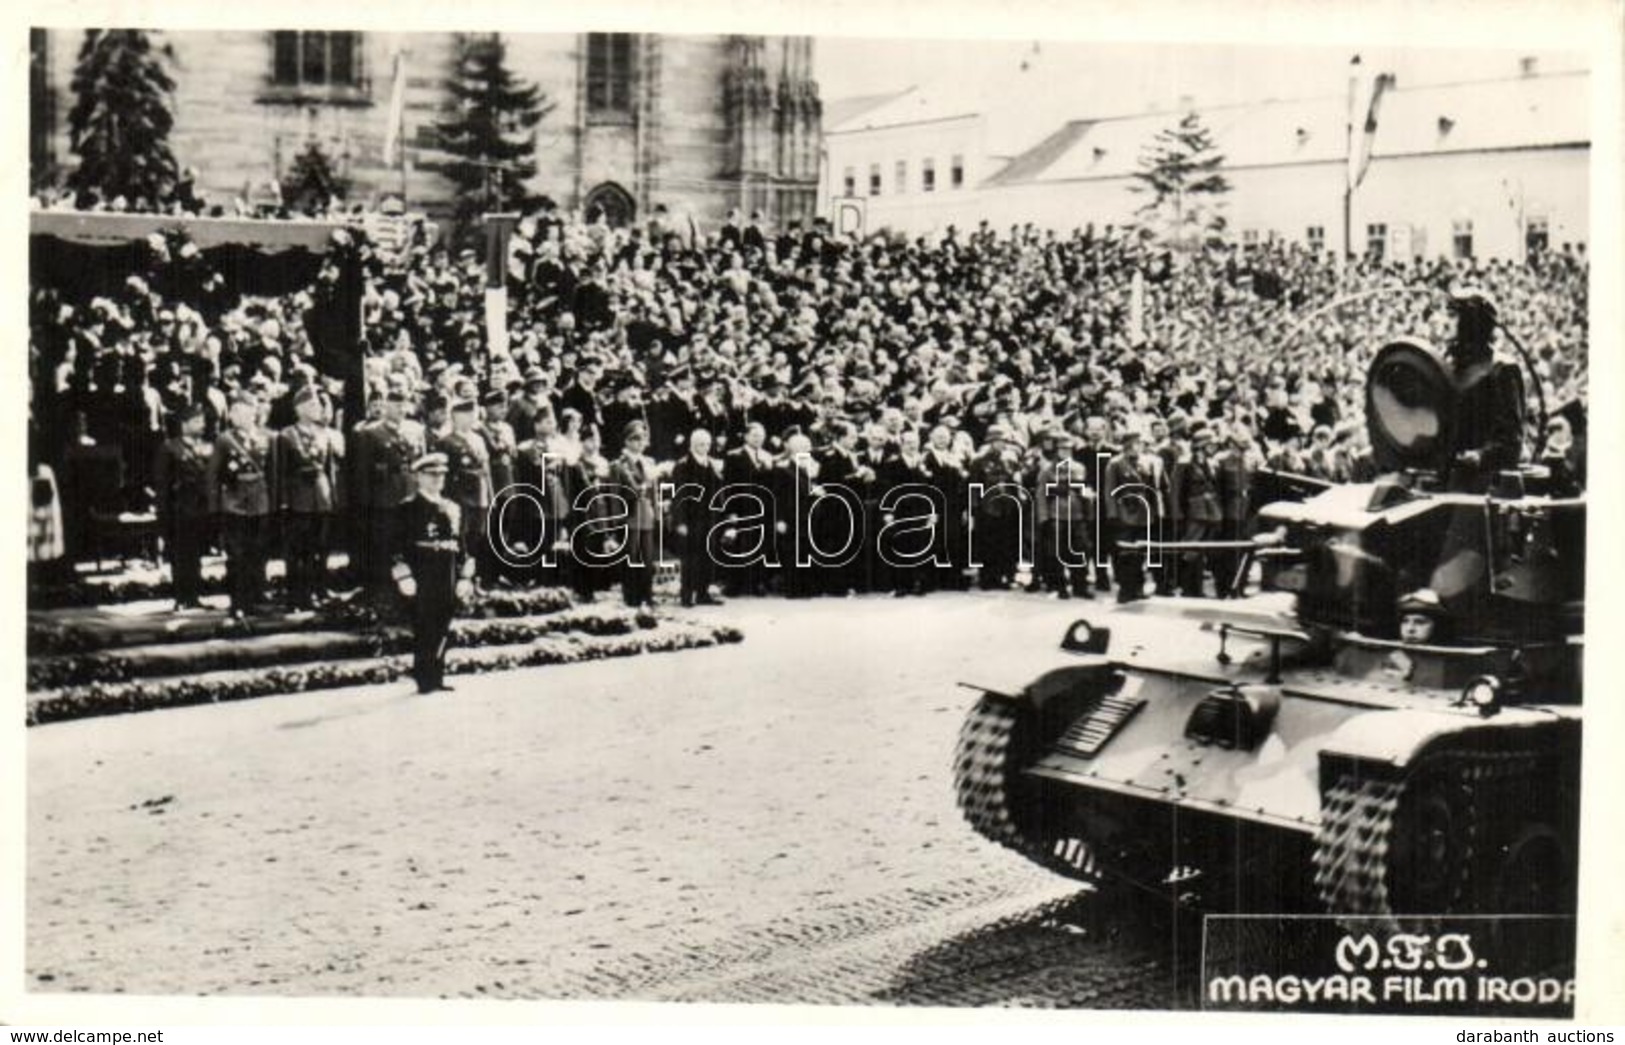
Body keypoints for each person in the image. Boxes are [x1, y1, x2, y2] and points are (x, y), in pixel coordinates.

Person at [392, 453, 473, 694]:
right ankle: (423, 677)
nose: (437, 479)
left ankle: (437, 675)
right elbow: (397, 545)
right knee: (425, 625)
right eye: (431, 475)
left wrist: (464, 576)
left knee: (444, 624)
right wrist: (404, 576)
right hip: (422, 572)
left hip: (447, 572)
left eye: (441, 475)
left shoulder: (452, 507)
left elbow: (461, 545)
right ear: (418, 477)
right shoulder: (408, 507)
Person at [1444, 287, 1525, 492]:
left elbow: (1510, 442)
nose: (1446, 322)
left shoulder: (1501, 369)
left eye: (1453, 316)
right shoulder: (1446, 366)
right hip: (1444, 477)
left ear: (1472, 322)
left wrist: (1480, 456)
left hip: (1482, 484)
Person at [353, 379, 424, 601]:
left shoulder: (416, 430)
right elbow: (363, 471)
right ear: (386, 406)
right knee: (385, 543)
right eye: (395, 405)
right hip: (385, 497)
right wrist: (365, 501)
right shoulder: (371, 433)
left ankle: (411, 588)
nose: (401, 409)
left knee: (411, 542)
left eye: (404, 405)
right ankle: (383, 588)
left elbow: (422, 463)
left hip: (411, 494)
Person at [206, 393, 271, 618]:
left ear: (254, 413)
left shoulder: (265, 437)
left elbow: (271, 471)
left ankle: (255, 598)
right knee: (237, 555)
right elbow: (213, 475)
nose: (239, 416)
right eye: (235, 412)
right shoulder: (224, 439)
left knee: (257, 553)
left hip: (260, 502)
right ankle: (238, 602)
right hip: (234, 502)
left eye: (245, 411)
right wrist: (214, 506)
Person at [276, 385, 338, 610]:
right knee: (297, 550)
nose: (318, 409)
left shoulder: (324, 434)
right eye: (312, 405)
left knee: (320, 547)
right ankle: (296, 596)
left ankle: (318, 590)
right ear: (299, 408)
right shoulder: (286, 435)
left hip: (321, 496)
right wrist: (282, 500)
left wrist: (332, 496)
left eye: (318, 405)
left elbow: (329, 468)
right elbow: (280, 471)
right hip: (297, 497)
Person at [153, 402, 213, 609]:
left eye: (203, 421)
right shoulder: (170, 447)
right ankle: (181, 598)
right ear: (184, 424)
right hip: (178, 510)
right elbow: (162, 484)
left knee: (196, 555)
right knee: (179, 556)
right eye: (197, 421)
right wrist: (163, 513)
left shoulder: (207, 447)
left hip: (200, 509)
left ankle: (194, 596)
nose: (202, 425)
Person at [435, 397, 495, 582]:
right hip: (460, 495)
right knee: (461, 535)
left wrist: (491, 494)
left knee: (478, 535)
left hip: (480, 494)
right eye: (465, 414)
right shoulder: (446, 442)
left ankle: (474, 575)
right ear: (454, 416)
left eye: (472, 413)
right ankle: (461, 577)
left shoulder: (478, 439)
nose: (470, 418)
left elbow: (486, 469)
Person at [670, 428, 724, 607]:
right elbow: (678, 496)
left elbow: (718, 490)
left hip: (709, 518)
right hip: (691, 518)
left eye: (708, 444)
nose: (705, 448)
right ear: (692, 444)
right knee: (690, 558)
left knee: (707, 556)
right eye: (701, 444)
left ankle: (703, 592)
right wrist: (680, 521)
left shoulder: (711, 464)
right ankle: (687, 595)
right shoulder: (683, 465)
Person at [609, 420, 661, 608]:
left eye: (642, 439)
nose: (639, 443)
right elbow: (615, 495)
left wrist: (656, 512)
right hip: (629, 516)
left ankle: (646, 596)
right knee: (632, 559)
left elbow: (654, 491)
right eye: (635, 439)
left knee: (647, 559)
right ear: (626, 441)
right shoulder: (619, 464)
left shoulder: (649, 462)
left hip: (646, 514)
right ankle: (631, 597)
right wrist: (616, 521)